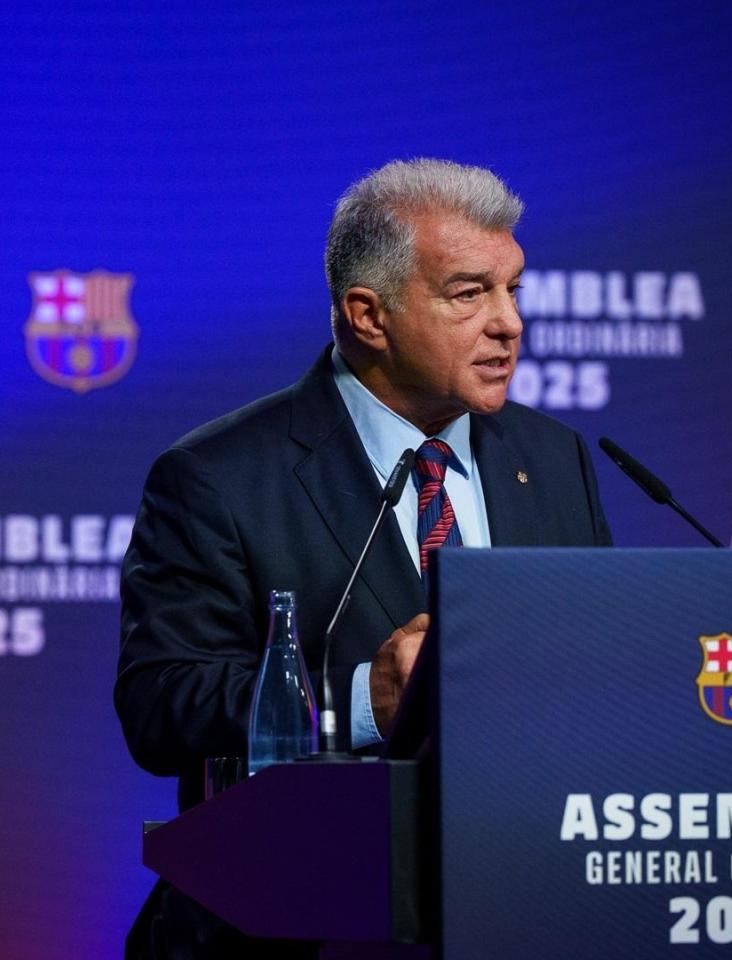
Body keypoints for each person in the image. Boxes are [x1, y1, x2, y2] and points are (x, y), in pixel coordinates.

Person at [115, 158, 613, 958]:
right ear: (367, 316)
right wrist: (355, 702)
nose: (510, 323)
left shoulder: (552, 459)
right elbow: (161, 705)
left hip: (521, 913)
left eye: (513, 289)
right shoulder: (218, 477)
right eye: (469, 292)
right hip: (295, 927)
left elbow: (593, 667)